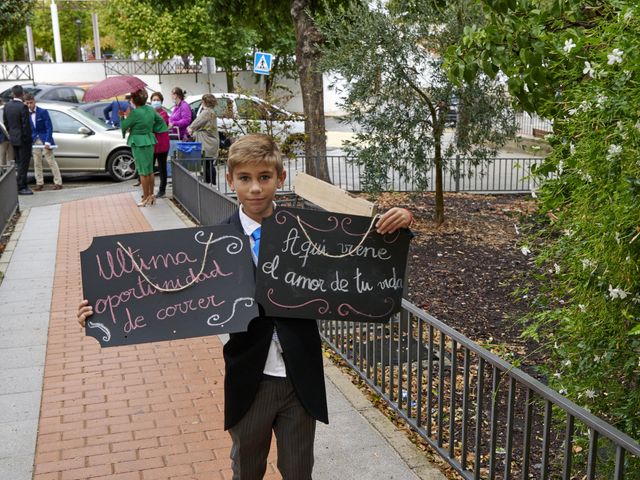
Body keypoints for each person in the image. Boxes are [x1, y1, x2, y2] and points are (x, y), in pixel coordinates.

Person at [77, 133, 413, 479]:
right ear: (230, 180)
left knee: (299, 471)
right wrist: (104, 310)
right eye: (245, 179)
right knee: (247, 470)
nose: (255, 188)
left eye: (264, 178)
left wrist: (399, 222)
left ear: (280, 179)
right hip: (251, 379)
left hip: (301, 377)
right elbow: (165, 293)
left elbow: (360, 253)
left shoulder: (309, 231)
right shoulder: (212, 243)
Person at [119, 89, 168, 207]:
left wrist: (122, 117)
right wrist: (151, 128)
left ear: (134, 100)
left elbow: (124, 126)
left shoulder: (135, 112)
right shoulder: (150, 109)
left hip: (138, 142)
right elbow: (161, 122)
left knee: (142, 171)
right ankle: (151, 196)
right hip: (149, 140)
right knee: (150, 170)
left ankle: (145, 197)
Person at [24, 93, 62, 191]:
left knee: (51, 161)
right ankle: (39, 183)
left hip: (45, 139)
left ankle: (58, 183)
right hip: (34, 140)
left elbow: (49, 127)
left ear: (34, 101)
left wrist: (48, 141)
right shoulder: (25, 114)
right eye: (27, 103)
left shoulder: (43, 112)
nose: (29, 105)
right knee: (37, 162)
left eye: (31, 103)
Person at [2, 85, 33, 195]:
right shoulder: (23, 107)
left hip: (13, 138)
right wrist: (27, 139)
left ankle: (21, 185)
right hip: (23, 140)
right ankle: (21, 187)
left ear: (13, 94)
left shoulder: (7, 106)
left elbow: (6, 122)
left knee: (19, 163)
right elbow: (25, 126)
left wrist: (11, 134)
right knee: (23, 164)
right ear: (23, 94)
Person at [187, 93, 218, 184]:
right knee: (208, 164)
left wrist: (190, 129)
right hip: (210, 141)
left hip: (206, 142)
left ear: (204, 102)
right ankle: (211, 184)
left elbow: (196, 123)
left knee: (207, 164)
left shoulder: (206, 112)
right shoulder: (211, 111)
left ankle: (211, 184)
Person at [150, 92, 170, 197]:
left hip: (162, 145)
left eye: (157, 100)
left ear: (161, 102)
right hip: (152, 145)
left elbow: (155, 125)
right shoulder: (150, 113)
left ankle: (162, 190)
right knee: (150, 168)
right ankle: (149, 190)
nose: (155, 102)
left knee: (162, 168)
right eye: (154, 100)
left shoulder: (164, 114)